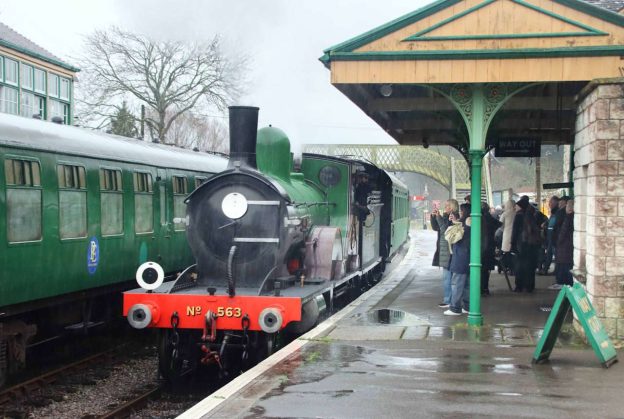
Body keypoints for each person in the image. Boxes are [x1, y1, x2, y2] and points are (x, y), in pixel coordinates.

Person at [431, 199, 459, 308]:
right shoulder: (446, 216)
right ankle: (450, 299)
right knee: (448, 277)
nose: (445, 207)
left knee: (448, 277)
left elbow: (444, 229)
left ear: (452, 207)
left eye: (447, 205)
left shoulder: (453, 217)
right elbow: (436, 228)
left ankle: (448, 300)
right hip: (445, 250)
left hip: (449, 250)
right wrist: (434, 217)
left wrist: (438, 217)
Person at [444, 203, 471, 316]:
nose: (460, 213)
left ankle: (455, 307)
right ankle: (467, 306)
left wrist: (454, 222)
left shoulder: (466, 223)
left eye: (461, 211)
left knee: (457, 283)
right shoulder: (469, 222)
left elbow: (454, 237)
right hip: (467, 256)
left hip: (461, 256)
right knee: (466, 284)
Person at [511, 196, 541, 292]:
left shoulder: (518, 216)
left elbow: (515, 232)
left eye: (517, 206)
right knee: (530, 266)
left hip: (521, 244)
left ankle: (519, 286)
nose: (515, 208)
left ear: (521, 207)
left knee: (520, 266)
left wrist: (513, 244)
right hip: (532, 245)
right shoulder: (533, 214)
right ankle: (529, 286)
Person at [481, 202, 502, 296]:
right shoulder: (491, 218)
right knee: (486, 270)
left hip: (480, 247)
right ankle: (485, 288)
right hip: (490, 247)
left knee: (479, 269)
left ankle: (479, 288)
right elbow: (499, 224)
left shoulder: (478, 218)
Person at [553, 199, 574, 288]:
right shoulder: (575, 217)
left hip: (565, 248)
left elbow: (563, 232)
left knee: (564, 270)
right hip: (569, 248)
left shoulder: (568, 218)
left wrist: (558, 241)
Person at [540, 196, 560, 275]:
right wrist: (545, 224)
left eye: (551, 202)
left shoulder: (558, 212)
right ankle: (545, 269)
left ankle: (554, 270)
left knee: (554, 253)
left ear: (556, 202)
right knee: (549, 252)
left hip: (554, 236)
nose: (549, 204)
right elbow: (550, 220)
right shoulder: (553, 212)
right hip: (550, 235)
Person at [499, 199, 516, 273]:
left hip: (506, 235)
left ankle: (505, 267)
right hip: (515, 235)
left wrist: (503, 230)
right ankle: (513, 268)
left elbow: (500, 225)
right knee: (513, 252)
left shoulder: (505, 214)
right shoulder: (516, 213)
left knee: (506, 252)